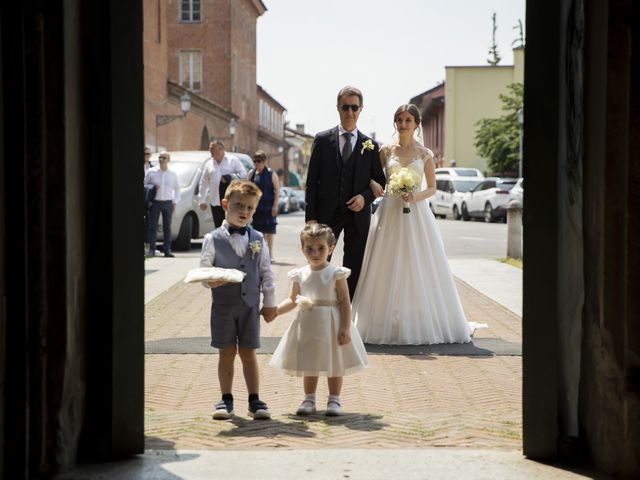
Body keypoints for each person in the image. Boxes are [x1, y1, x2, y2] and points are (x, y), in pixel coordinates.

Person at [352, 104, 481, 345]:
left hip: (417, 213)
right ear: (395, 123)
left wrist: (415, 196)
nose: (403, 124)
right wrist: (373, 185)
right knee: (386, 262)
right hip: (390, 210)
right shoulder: (385, 151)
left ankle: (418, 318)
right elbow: (373, 175)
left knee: (417, 262)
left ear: (416, 123)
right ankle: (382, 320)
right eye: (399, 120)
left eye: (408, 120)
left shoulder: (425, 154)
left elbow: (431, 188)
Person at [270, 223, 367, 416]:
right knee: (309, 361)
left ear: (331, 248)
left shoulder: (336, 274)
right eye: (310, 249)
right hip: (308, 324)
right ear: (302, 249)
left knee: (335, 361)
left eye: (321, 248)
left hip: (332, 322)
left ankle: (334, 399)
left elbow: (344, 301)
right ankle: (309, 399)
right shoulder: (300, 274)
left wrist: (345, 328)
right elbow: (292, 300)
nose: (315, 253)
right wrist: (275, 311)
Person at [200, 179, 277, 420]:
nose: (244, 212)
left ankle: (255, 399)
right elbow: (203, 271)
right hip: (223, 306)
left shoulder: (257, 238)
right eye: (239, 205)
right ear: (225, 204)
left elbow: (266, 272)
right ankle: (226, 399)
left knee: (248, 352)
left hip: (250, 307)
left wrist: (271, 302)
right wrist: (212, 279)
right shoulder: (212, 239)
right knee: (226, 352)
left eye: (250, 208)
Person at [305, 86, 386, 298]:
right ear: (337, 108)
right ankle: (318, 305)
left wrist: (364, 197)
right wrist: (311, 218)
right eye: (345, 107)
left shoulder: (370, 145)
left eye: (354, 107)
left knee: (354, 267)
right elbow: (311, 181)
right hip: (326, 214)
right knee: (319, 263)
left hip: (358, 216)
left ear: (361, 109)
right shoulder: (322, 140)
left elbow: (380, 181)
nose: (349, 112)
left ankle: (346, 313)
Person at [198, 140, 247, 228]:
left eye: (212, 149)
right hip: (215, 202)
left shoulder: (233, 160)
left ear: (220, 149)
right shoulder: (208, 164)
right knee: (219, 229)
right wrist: (202, 200)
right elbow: (203, 182)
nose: (210, 151)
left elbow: (244, 176)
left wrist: (229, 177)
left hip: (231, 202)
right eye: (210, 149)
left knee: (232, 228)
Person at [144, 151, 181, 258]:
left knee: (167, 227)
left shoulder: (173, 174)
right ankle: (152, 249)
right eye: (160, 157)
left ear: (168, 160)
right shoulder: (151, 172)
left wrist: (175, 201)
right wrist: (152, 188)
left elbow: (178, 189)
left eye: (164, 158)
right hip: (155, 202)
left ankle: (167, 250)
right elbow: (145, 185)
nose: (161, 159)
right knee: (152, 227)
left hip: (168, 203)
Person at [247, 150, 280, 260]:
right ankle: (257, 254)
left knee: (269, 231)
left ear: (264, 161)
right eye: (255, 161)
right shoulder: (251, 174)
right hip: (256, 208)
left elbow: (277, 190)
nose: (256, 163)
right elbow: (247, 189)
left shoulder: (271, 173)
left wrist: (275, 206)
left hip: (268, 206)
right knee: (256, 232)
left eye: (259, 161)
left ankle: (270, 254)